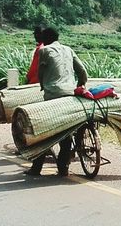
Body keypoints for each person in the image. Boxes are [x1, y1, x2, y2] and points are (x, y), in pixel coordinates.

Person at [24, 27, 88, 177]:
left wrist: (42, 86)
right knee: (66, 132)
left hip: (53, 93)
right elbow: (82, 71)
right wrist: (81, 85)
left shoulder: (44, 51)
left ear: (45, 39)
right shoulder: (68, 49)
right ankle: (63, 168)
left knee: (44, 132)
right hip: (70, 93)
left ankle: (36, 169)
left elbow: (40, 73)